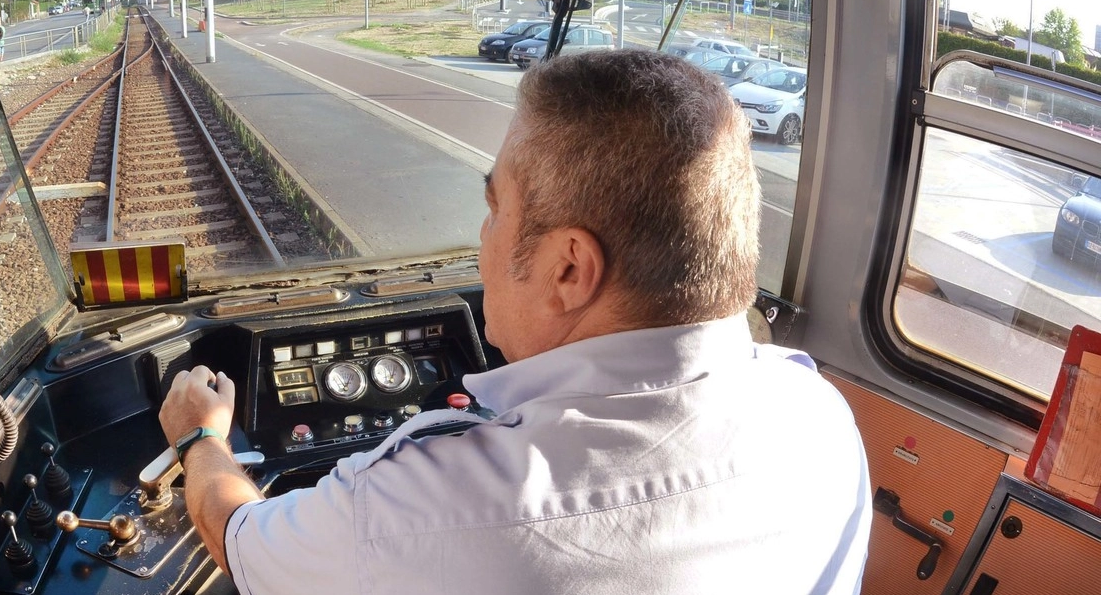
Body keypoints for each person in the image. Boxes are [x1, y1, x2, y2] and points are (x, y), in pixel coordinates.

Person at [160, 50, 871, 594]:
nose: (483, 234)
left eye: (496, 207)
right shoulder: (822, 420)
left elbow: (239, 536)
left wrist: (202, 438)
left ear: (569, 269)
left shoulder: (437, 505)